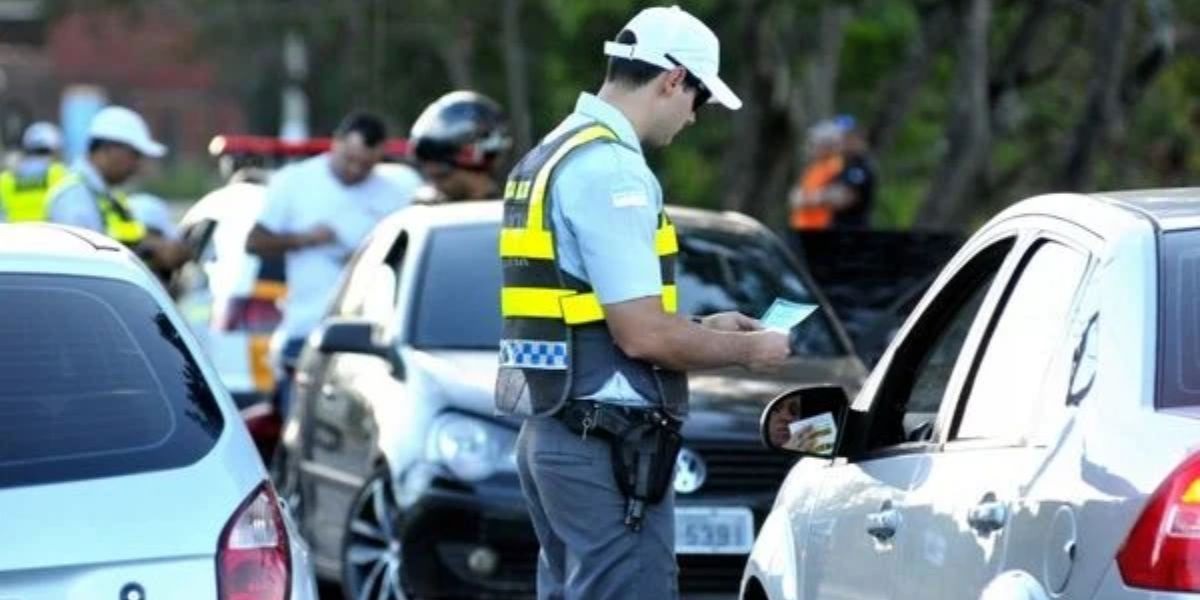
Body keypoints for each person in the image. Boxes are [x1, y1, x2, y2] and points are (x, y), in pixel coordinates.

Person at [494, 6, 791, 598]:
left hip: (557, 433)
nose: (693, 118)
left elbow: (592, 314)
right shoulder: (613, 170)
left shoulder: (554, 152)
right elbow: (643, 337)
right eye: (699, 100)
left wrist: (707, 327)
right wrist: (750, 351)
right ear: (673, 79)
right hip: (604, 446)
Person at [245, 111, 410, 418]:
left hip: (369, 337)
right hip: (305, 329)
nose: (355, 169)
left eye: (365, 165)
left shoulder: (395, 193)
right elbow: (254, 242)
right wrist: (304, 239)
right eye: (349, 158)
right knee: (296, 426)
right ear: (335, 143)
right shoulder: (294, 182)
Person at [45, 106, 188, 273]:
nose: (137, 165)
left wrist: (150, 248)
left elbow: (115, 240)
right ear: (107, 150)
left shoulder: (104, 195)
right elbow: (83, 262)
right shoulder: (74, 197)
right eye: (134, 155)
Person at [408, 90, 512, 202]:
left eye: (443, 176)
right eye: (431, 177)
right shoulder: (424, 214)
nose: (435, 187)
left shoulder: (512, 216)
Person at [0, 121, 68, 223]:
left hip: (14, 237)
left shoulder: (5, 179)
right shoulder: (60, 174)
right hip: (51, 236)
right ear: (54, 150)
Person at [787, 119, 844, 231]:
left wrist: (804, 199)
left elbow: (836, 196)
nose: (809, 147)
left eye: (813, 143)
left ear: (828, 145)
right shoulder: (814, 166)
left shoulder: (835, 165)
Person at [829, 114, 877, 229]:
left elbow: (842, 200)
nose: (839, 141)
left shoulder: (861, 166)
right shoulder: (837, 163)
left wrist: (812, 197)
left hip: (852, 230)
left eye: (845, 137)